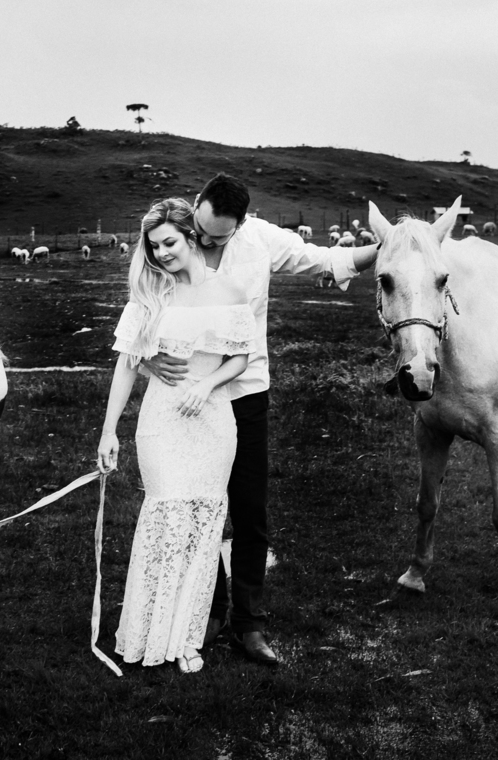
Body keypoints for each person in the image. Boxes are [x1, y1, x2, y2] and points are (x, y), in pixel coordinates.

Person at [143, 173, 380, 665]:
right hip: (185, 401)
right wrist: (148, 361)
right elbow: (139, 320)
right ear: (194, 208)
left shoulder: (262, 241)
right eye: (201, 231)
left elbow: (327, 259)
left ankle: (248, 625)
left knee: (249, 511)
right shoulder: (169, 242)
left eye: (217, 236)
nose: (204, 242)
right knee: (192, 506)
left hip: (245, 395)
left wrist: (389, 247)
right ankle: (206, 610)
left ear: (242, 222)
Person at [97, 197, 256, 674]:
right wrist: (109, 432)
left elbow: (241, 356)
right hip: (162, 422)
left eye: (169, 242)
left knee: (203, 529)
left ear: (191, 237)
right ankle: (146, 633)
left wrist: (208, 384)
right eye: (153, 246)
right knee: (166, 519)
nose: (162, 253)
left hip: (213, 422)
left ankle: (187, 639)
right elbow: (127, 364)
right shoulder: (151, 295)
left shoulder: (229, 290)